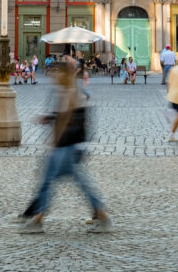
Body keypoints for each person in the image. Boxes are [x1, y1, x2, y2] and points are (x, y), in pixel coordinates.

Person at [19, 61, 110, 234]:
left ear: (64, 74)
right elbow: (59, 117)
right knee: (79, 181)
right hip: (65, 145)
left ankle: (38, 218)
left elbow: (66, 119)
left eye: (56, 72)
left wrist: (54, 142)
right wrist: (48, 119)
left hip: (65, 145)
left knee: (49, 180)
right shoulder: (65, 90)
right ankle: (102, 214)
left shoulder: (70, 91)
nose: (53, 76)